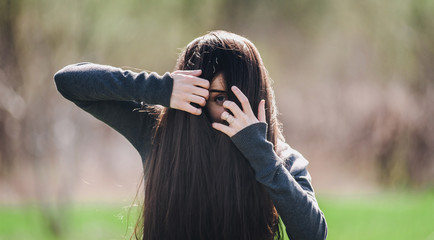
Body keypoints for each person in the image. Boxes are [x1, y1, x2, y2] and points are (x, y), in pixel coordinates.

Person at [54, 30, 327, 240]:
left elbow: (313, 235)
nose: (228, 113)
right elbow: (69, 81)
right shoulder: (156, 134)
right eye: (216, 98)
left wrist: (259, 153)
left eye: (235, 100)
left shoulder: (279, 158)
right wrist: (161, 89)